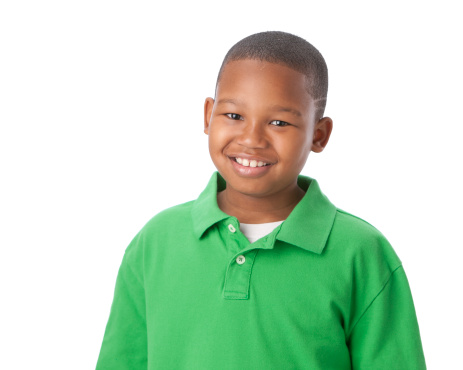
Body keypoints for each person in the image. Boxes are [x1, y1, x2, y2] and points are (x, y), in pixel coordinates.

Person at [96, 31, 426, 369]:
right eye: (234, 116)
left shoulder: (361, 253)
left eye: (280, 122)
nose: (252, 140)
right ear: (208, 115)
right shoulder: (156, 241)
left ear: (319, 134)